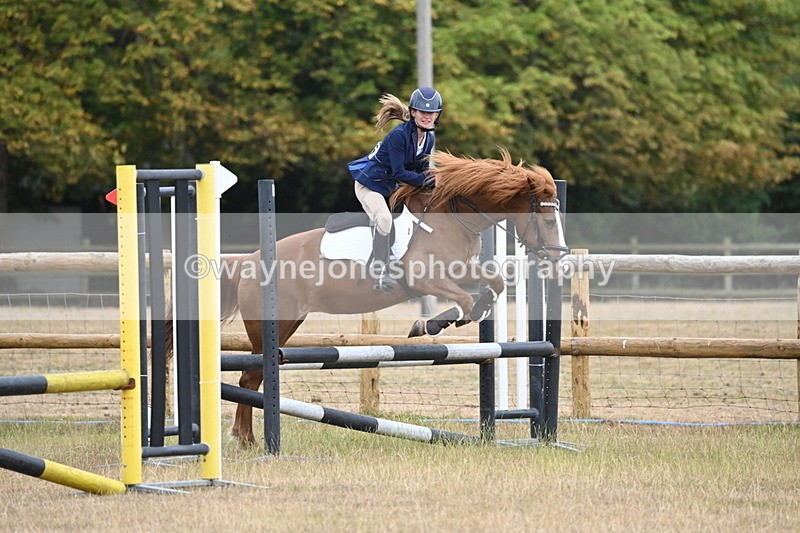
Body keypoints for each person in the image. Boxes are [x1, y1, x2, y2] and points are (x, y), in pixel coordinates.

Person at [348, 86, 442, 293]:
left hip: (390, 188)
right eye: (423, 112)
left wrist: (436, 179)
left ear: (437, 115)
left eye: (431, 113)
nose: (427, 117)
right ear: (414, 112)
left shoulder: (428, 138)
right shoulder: (399, 136)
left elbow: (421, 171)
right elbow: (400, 173)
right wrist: (431, 181)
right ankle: (380, 273)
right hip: (369, 185)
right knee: (384, 220)